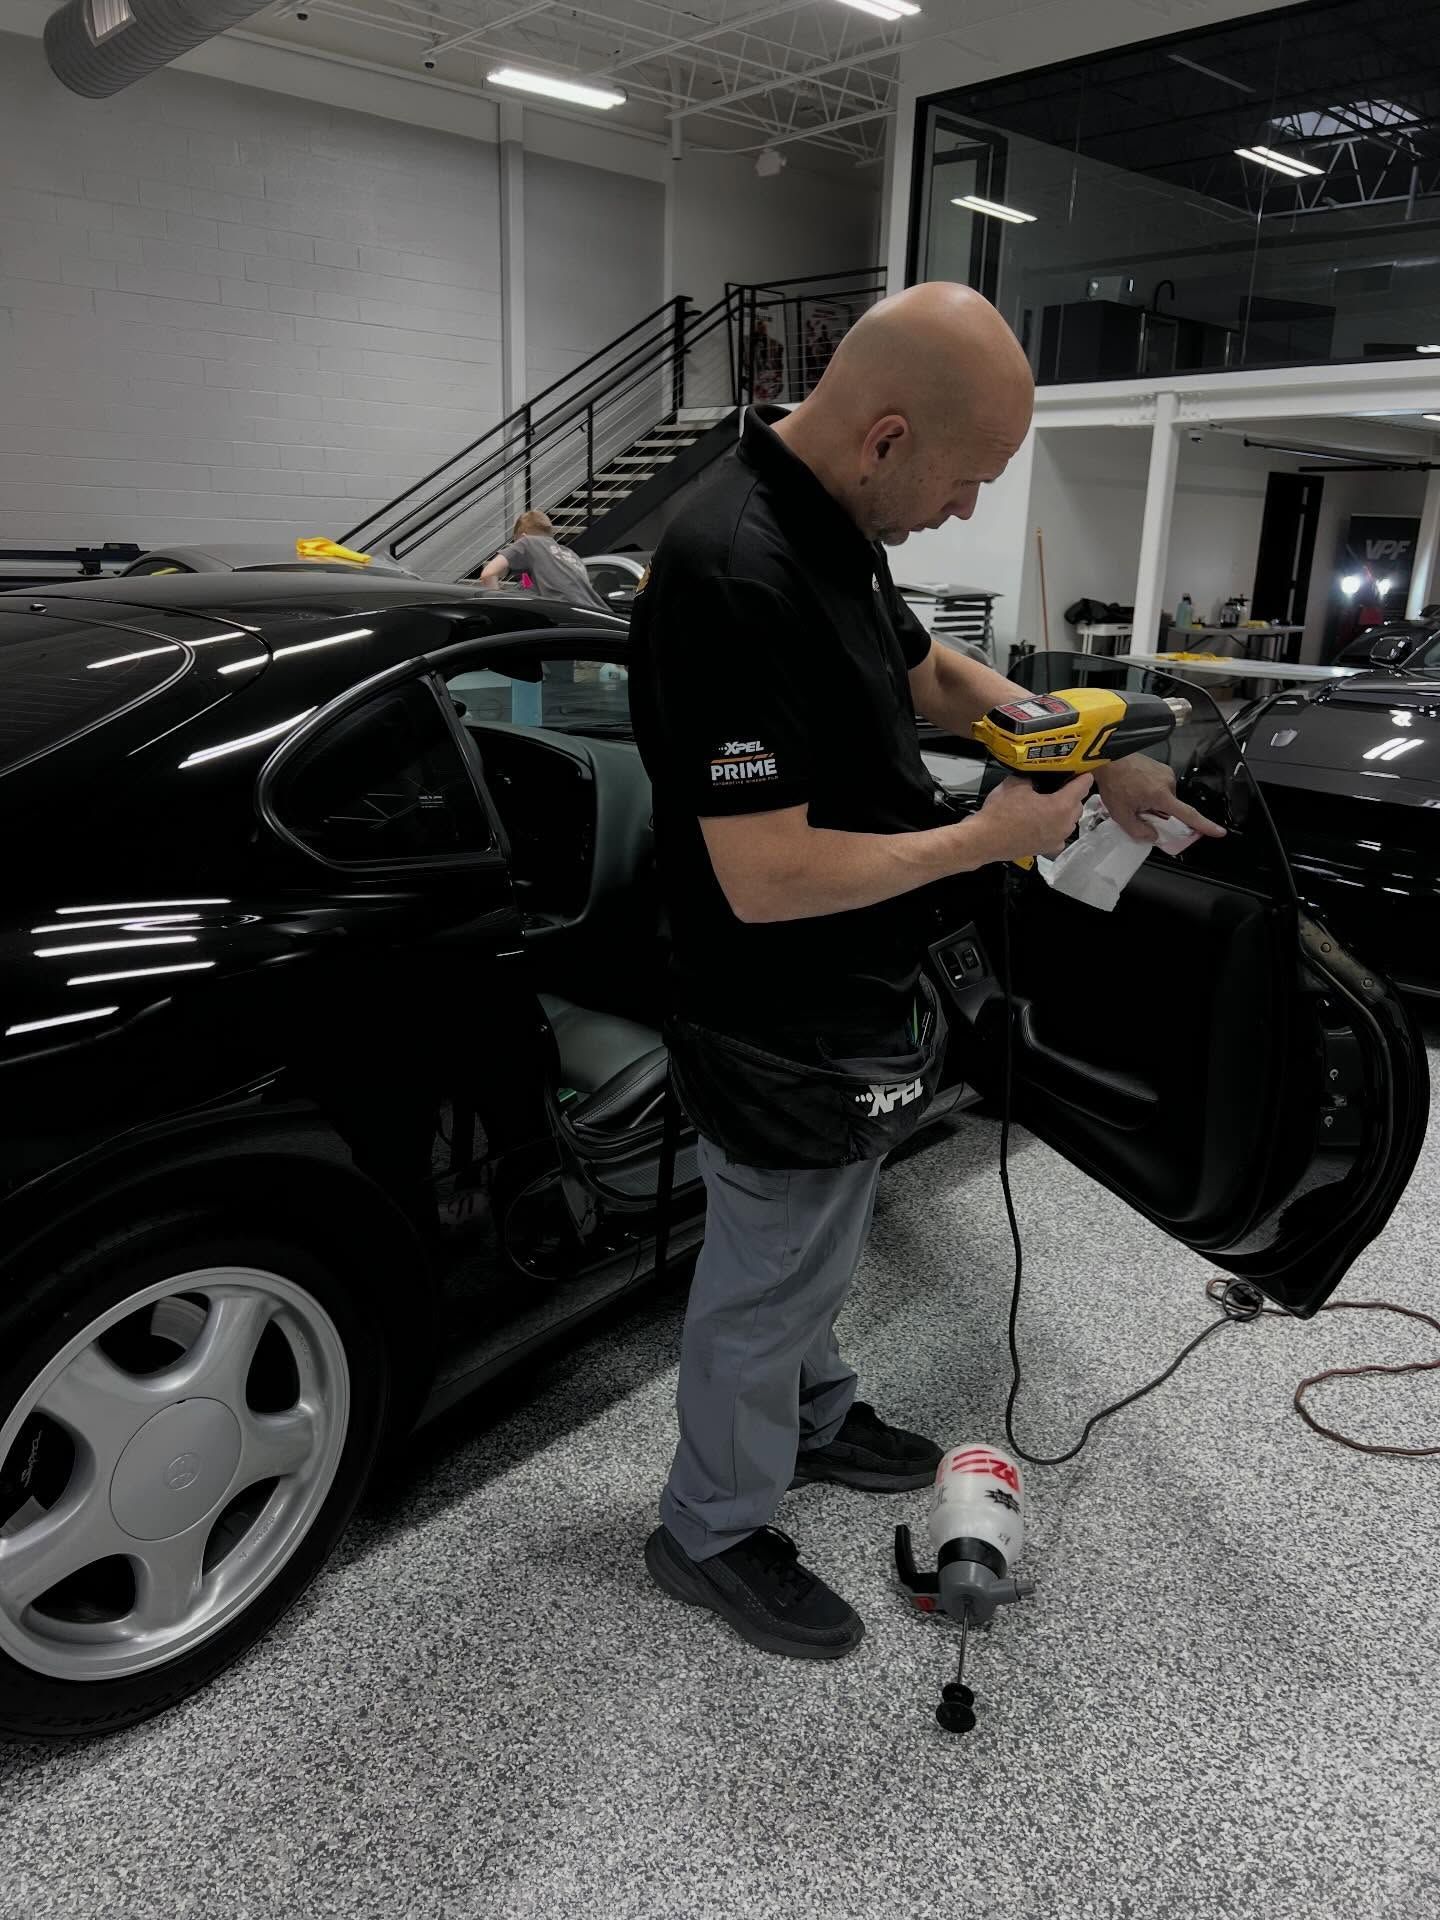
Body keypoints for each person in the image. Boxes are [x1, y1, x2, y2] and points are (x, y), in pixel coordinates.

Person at [627, 283, 1222, 1663]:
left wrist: (1076, 746)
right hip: (772, 1011)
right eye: (964, 481)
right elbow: (761, 877)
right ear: (888, 435)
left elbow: (935, 675)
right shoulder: (732, 568)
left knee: (820, 1238)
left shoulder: (837, 524)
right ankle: (706, 1527)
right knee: (765, 1267)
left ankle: (817, 1416)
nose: (964, 512)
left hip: (854, 995)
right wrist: (986, 839)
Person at [479, 510, 611, 614]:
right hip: (600, 617)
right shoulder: (570, 554)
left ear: (522, 537)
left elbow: (488, 574)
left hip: (570, 619)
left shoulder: (528, 542)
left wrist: (496, 609)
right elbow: (528, 586)